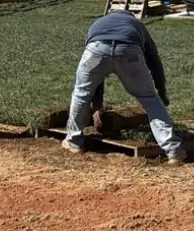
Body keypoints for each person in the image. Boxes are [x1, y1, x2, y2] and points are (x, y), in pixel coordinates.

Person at [61, 10, 185, 164]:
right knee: (150, 100)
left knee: (81, 93)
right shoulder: (138, 25)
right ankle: (173, 151)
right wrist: (161, 92)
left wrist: (97, 105)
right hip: (129, 53)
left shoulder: (98, 23)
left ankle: (74, 143)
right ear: (130, 17)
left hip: (96, 50)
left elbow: (96, 74)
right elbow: (155, 63)